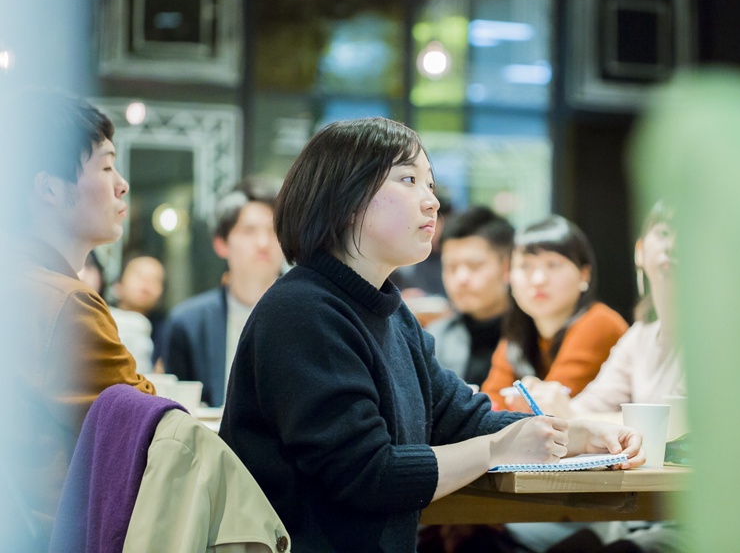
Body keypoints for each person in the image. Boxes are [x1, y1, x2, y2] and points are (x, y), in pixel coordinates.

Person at [217, 117, 644, 553]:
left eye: (431, 184)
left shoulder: (390, 312)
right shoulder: (302, 311)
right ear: (345, 199)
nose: (432, 202)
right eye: (409, 179)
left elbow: (462, 420)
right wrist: (496, 449)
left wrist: (573, 436)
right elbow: (368, 475)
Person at [3, 89, 154, 545]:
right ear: (49, 188)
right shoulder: (62, 302)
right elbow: (148, 434)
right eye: (106, 166)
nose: (121, 184)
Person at [527, 201, 685, 420]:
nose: (537, 280)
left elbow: (677, 424)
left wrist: (568, 413)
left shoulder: (719, 335)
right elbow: (594, 403)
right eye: (664, 233)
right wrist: (557, 404)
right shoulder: (640, 335)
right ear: (639, 252)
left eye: (553, 265)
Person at [480, 215, 629, 411]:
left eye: (553, 264)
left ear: (584, 274)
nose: (538, 279)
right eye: (525, 266)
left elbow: (548, 409)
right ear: (509, 277)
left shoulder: (599, 322)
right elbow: (488, 407)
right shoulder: (519, 329)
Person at [163, 177, 284, 407]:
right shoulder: (187, 324)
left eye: (273, 231)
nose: (263, 242)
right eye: (249, 231)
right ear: (221, 243)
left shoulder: (306, 318)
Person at [426, 205, 514, 387]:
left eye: (474, 266)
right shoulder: (435, 337)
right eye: (450, 267)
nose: (460, 279)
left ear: (507, 267)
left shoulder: (534, 334)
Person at [110, 255, 165, 373]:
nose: (146, 285)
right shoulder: (102, 322)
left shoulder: (165, 332)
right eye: (139, 276)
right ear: (118, 285)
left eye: (155, 279)